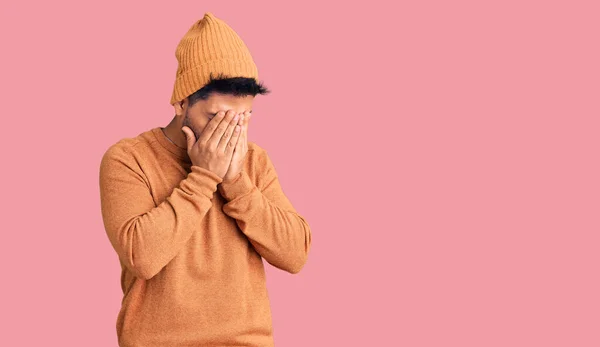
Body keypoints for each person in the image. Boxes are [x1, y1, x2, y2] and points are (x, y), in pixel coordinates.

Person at [98, 12, 312, 347]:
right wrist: (204, 176)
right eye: (215, 117)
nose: (230, 131)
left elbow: (295, 254)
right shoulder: (128, 158)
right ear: (182, 102)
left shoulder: (253, 160)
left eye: (243, 118)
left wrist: (237, 181)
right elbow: (142, 257)